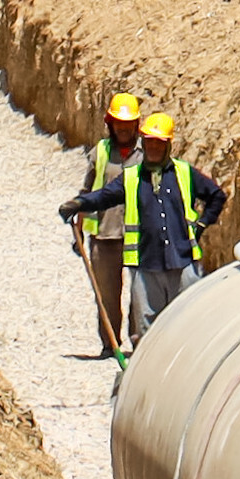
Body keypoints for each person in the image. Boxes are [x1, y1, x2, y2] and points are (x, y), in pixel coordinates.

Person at [54, 112, 225, 349]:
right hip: (147, 265)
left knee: (187, 322)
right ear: (143, 143)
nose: (154, 147)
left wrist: (203, 224)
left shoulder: (184, 173)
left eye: (159, 142)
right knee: (147, 330)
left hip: (183, 260)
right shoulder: (132, 178)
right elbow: (104, 196)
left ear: (168, 145)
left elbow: (217, 195)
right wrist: (78, 204)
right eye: (150, 142)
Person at [69, 93, 147, 358]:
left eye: (128, 123)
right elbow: (87, 191)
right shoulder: (100, 152)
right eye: (118, 123)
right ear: (110, 123)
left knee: (141, 294)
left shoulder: (149, 151)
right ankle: (110, 343)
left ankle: (141, 343)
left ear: (137, 124)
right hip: (105, 235)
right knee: (107, 295)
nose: (123, 128)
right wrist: (79, 227)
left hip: (139, 235)